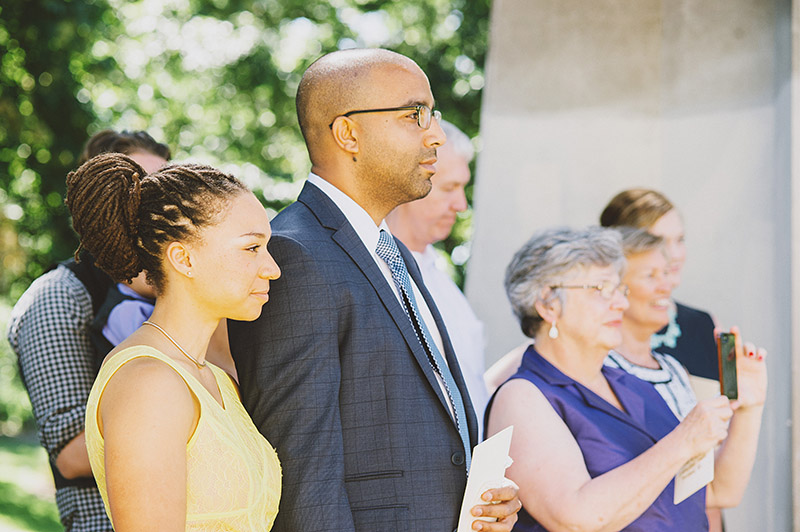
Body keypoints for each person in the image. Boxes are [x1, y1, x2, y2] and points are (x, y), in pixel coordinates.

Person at [228, 48, 520, 532]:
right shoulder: (295, 257)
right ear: (348, 133)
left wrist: (476, 497)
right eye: (414, 116)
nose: (437, 136)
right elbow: (303, 474)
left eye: (434, 115)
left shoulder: (394, 253)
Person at [486, 226, 767, 531]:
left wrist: (750, 408)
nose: (620, 303)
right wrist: (683, 441)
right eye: (599, 289)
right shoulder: (523, 396)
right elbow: (574, 519)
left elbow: (716, 492)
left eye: (620, 289)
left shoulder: (634, 385)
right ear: (548, 304)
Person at [66, 153, 283, 531]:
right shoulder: (149, 383)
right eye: (251, 248)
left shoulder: (215, 379)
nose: (272, 268)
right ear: (183, 258)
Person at [6, 129, 169, 532]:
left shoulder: (173, 282)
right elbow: (72, 455)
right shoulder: (58, 297)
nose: (160, 203)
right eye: (142, 189)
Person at [386, 119, 490, 437]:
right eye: (448, 188)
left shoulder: (444, 284)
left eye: (463, 188)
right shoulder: (374, 275)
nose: (461, 205)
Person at [600, 188, 719, 380]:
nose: (674, 255)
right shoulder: (597, 333)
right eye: (658, 242)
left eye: (680, 240)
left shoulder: (703, 325)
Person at [605, 227, 697, 420]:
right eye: (650, 275)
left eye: (665, 273)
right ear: (615, 288)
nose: (665, 286)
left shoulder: (675, 370)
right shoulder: (600, 373)